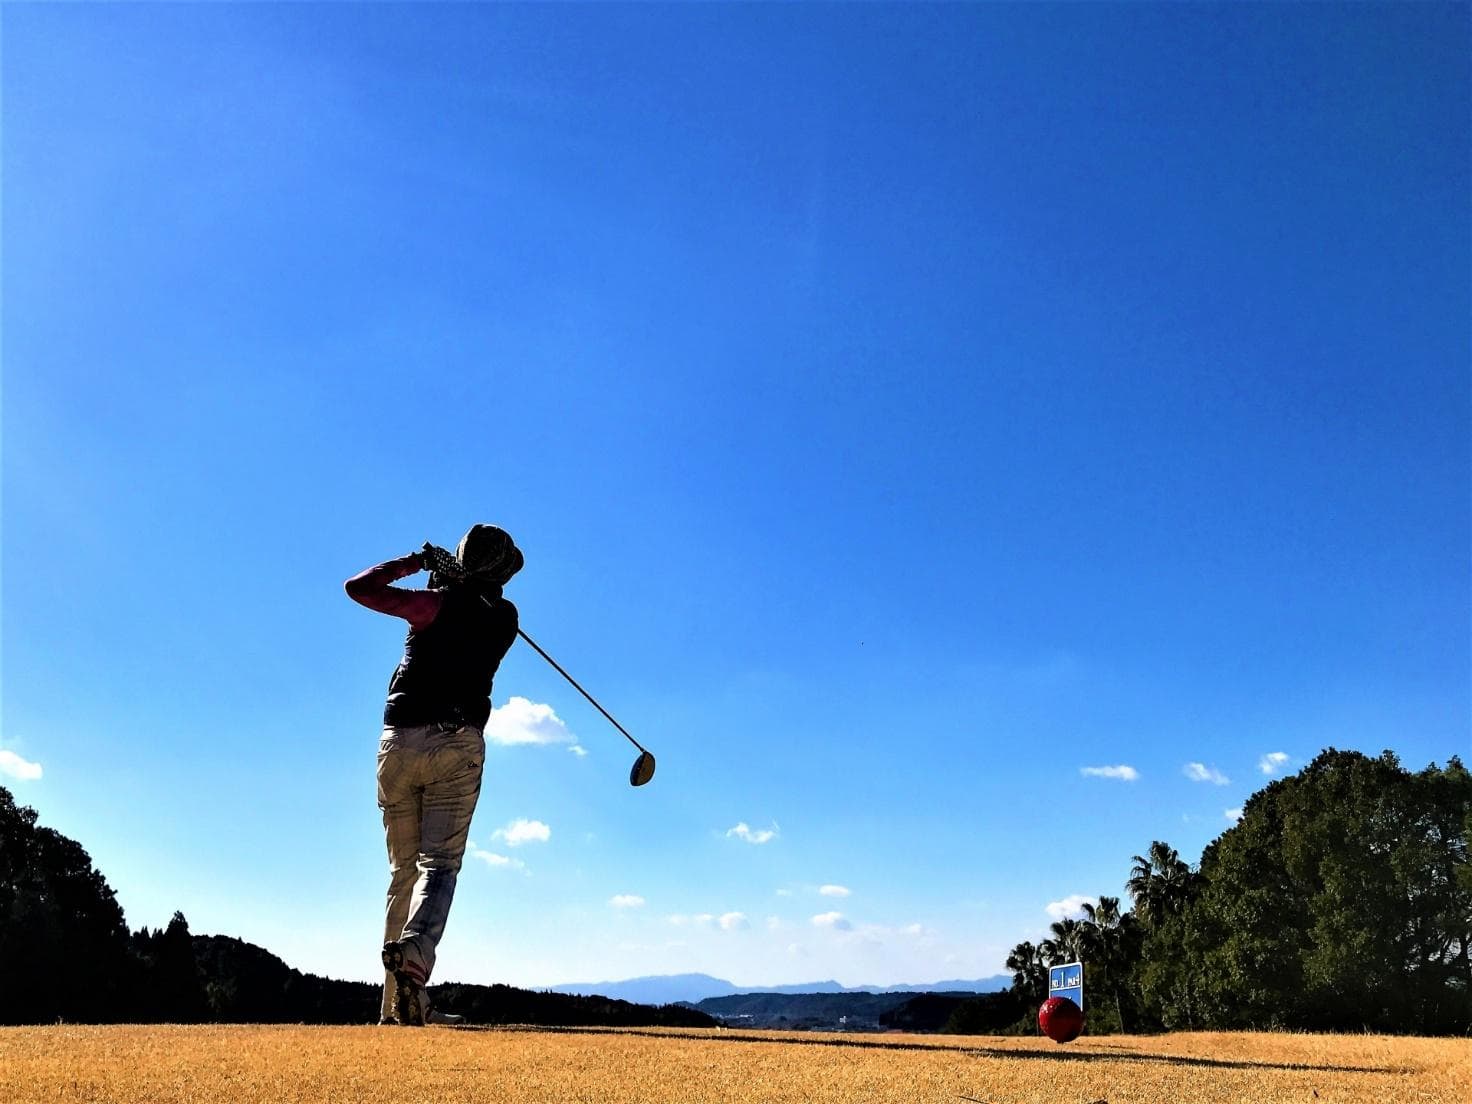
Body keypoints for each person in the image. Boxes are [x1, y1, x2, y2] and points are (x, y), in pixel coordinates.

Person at [344, 524, 522, 1026]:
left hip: (396, 744)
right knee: (439, 866)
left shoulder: (433, 604)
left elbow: (359, 589)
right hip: (454, 743)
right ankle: (416, 960)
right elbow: (480, 606)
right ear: (503, 575)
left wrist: (416, 562)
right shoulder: (506, 618)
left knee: (402, 873)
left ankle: (393, 1008)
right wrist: (453, 577)